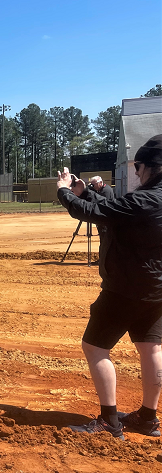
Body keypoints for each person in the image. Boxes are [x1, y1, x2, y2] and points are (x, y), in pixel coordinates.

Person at [57, 134, 162, 440]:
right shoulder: (153, 198)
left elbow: (95, 213)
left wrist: (65, 192)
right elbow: (118, 209)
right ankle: (147, 417)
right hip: (156, 288)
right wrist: (87, 191)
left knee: (94, 347)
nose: (136, 172)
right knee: (151, 347)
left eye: (138, 166)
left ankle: (109, 421)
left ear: (150, 167)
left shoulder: (146, 198)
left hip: (126, 288)